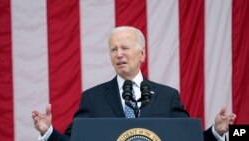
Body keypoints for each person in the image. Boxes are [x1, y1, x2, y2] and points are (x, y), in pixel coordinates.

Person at [32, 26, 236, 141]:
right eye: (113, 49)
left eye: (124, 47)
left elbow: (188, 138)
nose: (118, 54)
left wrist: (216, 132)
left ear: (142, 54)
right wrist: (48, 132)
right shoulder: (93, 98)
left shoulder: (167, 96)